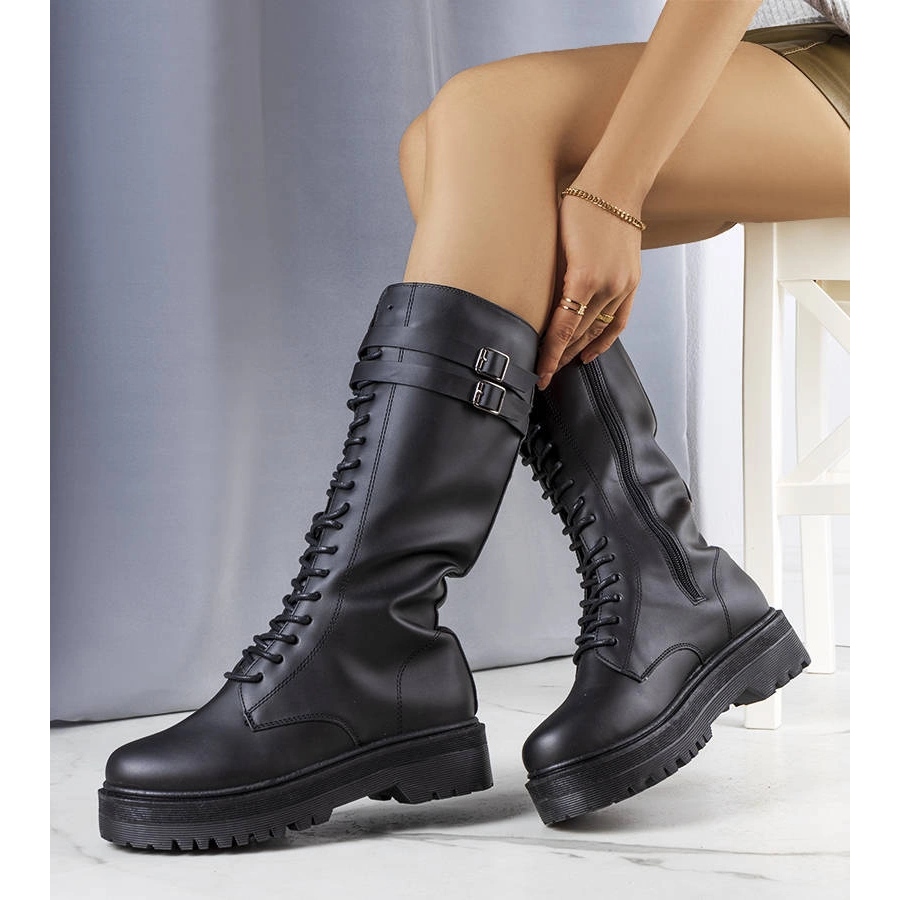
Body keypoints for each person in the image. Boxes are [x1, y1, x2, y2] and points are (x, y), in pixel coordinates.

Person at [98, 0, 849, 849]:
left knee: (489, 123)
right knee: (447, 148)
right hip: (816, 46)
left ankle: (371, 649)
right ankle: (661, 584)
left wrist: (615, 192)